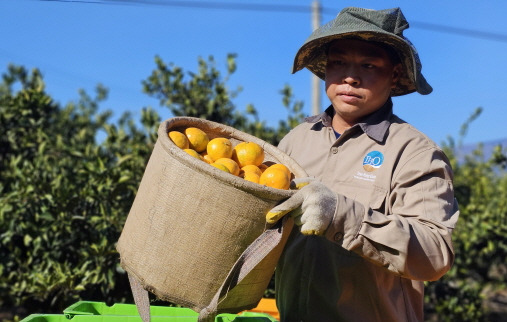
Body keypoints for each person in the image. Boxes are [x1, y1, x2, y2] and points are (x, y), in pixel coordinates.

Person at [265, 7, 459, 322]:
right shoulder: (296, 141)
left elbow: (434, 255)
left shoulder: (414, 152)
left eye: (368, 65)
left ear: (394, 74)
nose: (350, 77)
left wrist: (340, 215)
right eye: (338, 62)